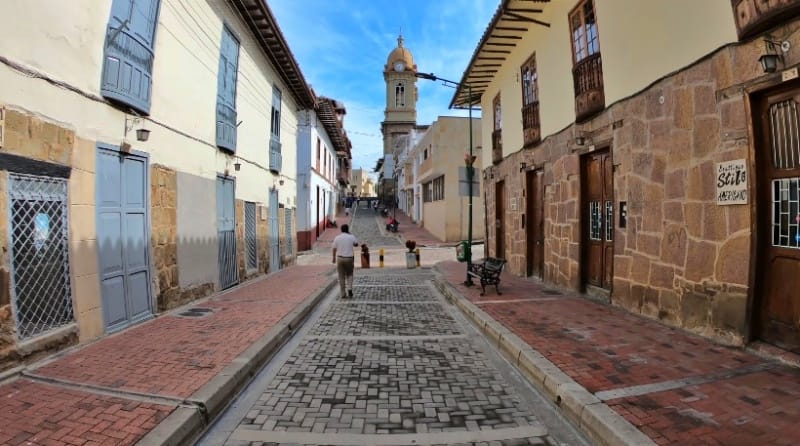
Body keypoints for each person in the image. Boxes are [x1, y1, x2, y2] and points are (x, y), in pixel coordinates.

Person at [331, 224, 359, 299]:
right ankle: (349, 288)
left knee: (341, 276)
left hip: (340, 258)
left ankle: (343, 293)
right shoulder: (351, 237)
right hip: (349, 258)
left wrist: (333, 258)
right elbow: (356, 244)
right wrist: (351, 235)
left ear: (341, 230)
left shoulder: (337, 238)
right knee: (350, 274)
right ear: (348, 229)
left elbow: (334, 248)